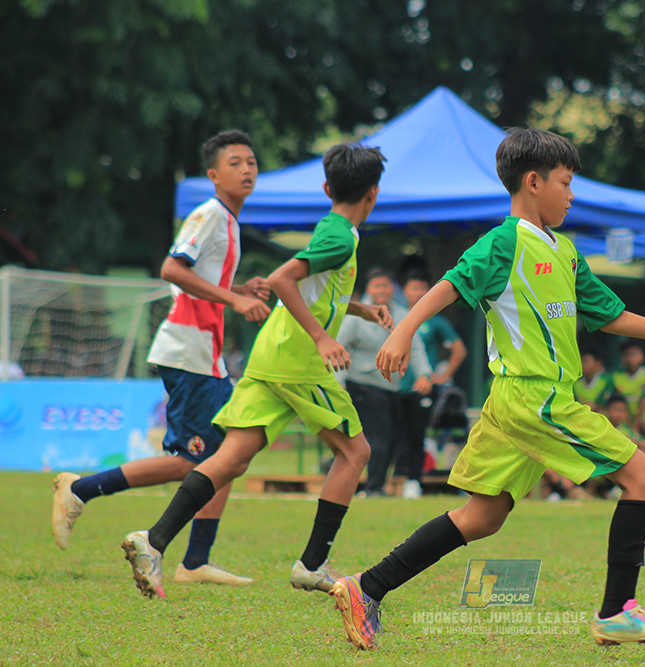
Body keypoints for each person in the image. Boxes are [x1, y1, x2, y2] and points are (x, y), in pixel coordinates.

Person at [329, 127, 645, 650]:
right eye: (566, 182)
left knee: (483, 516)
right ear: (534, 182)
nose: (572, 194)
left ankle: (366, 587)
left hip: (515, 403)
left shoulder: (565, 251)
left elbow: (611, 315)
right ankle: (617, 612)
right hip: (534, 399)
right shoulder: (505, 242)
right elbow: (450, 284)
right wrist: (403, 330)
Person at [118, 142, 390, 599]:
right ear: (374, 193)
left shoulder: (333, 228)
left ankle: (154, 540)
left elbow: (317, 290)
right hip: (298, 361)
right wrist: (322, 339)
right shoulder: (342, 236)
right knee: (355, 452)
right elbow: (283, 279)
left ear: (327, 188)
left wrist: (361, 310)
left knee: (231, 459)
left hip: (271, 354)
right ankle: (312, 564)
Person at [51, 130, 270, 587]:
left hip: (206, 354)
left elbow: (200, 281)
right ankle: (81, 490)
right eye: (234, 163)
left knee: (230, 454)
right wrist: (234, 299)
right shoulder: (210, 213)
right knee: (191, 462)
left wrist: (239, 288)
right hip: (188, 350)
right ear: (214, 175)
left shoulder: (229, 220)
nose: (246, 169)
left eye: (251, 161)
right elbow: (172, 268)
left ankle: (195, 561)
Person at [339, 267, 433, 497]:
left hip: (391, 387)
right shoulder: (356, 316)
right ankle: (373, 487)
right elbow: (338, 347)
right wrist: (338, 383)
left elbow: (415, 347)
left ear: (394, 289)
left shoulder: (402, 315)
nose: (382, 290)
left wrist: (424, 375)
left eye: (386, 285)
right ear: (369, 289)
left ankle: (377, 484)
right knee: (380, 435)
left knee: (393, 436)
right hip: (362, 384)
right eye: (377, 285)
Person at [397, 270, 467, 498]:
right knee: (392, 434)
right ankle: (390, 479)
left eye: (421, 289)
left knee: (417, 434)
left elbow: (459, 350)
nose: (417, 293)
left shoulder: (436, 321)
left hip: (422, 387)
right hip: (393, 386)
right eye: (413, 288)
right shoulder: (395, 316)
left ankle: (413, 480)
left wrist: (442, 376)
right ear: (404, 291)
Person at [610, 339, 645, 440]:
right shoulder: (616, 376)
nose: (630, 358)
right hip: (623, 414)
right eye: (627, 354)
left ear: (642, 357)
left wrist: (636, 423)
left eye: (634, 354)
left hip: (644, 415)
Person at [575, 346, 612, 413]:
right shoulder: (576, 384)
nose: (582, 365)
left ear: (598, 363)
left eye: (585, 361)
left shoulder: (606, 381)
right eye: (581, 361)